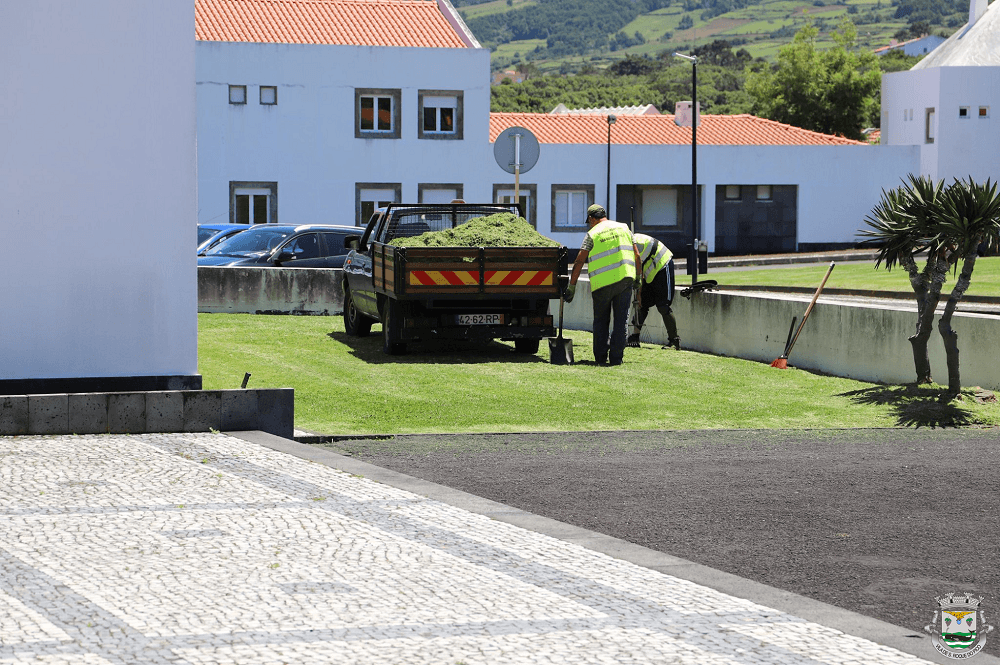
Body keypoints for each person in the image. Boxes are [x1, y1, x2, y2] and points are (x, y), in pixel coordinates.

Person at [564, 204, 641, 366]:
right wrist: (638, 278)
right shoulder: (624, 228)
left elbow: (579, 260)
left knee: (601, 321)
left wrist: (572, 286)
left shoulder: (592, 234)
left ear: (592, 218)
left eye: (589, 221)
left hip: (602, 284)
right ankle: (616, 359)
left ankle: (600, 357)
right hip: (625, 279)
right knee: (621, 322)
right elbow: (636, 255)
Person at [630, 233, 680, 350]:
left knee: (663, 306)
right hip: (648, 268)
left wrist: (638, 292)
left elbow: (638, 271)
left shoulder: (631, 245)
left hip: (662, 263)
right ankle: (634, 337)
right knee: (641, 304)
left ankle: (674, 341)